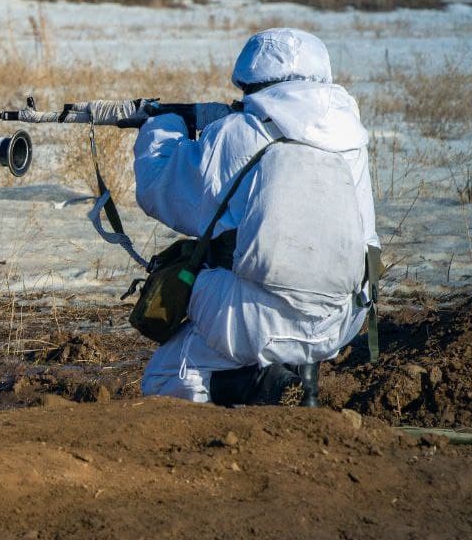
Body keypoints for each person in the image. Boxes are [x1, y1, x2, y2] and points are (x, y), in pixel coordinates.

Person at [133, 27, 379, 405]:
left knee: (164, 378)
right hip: (341, 319)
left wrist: (161, 125)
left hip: (254, 321)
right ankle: (301, 376)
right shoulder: (351, 137)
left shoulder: (235, 133)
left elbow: (160, 189)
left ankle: (268, 387)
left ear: (250, 80)